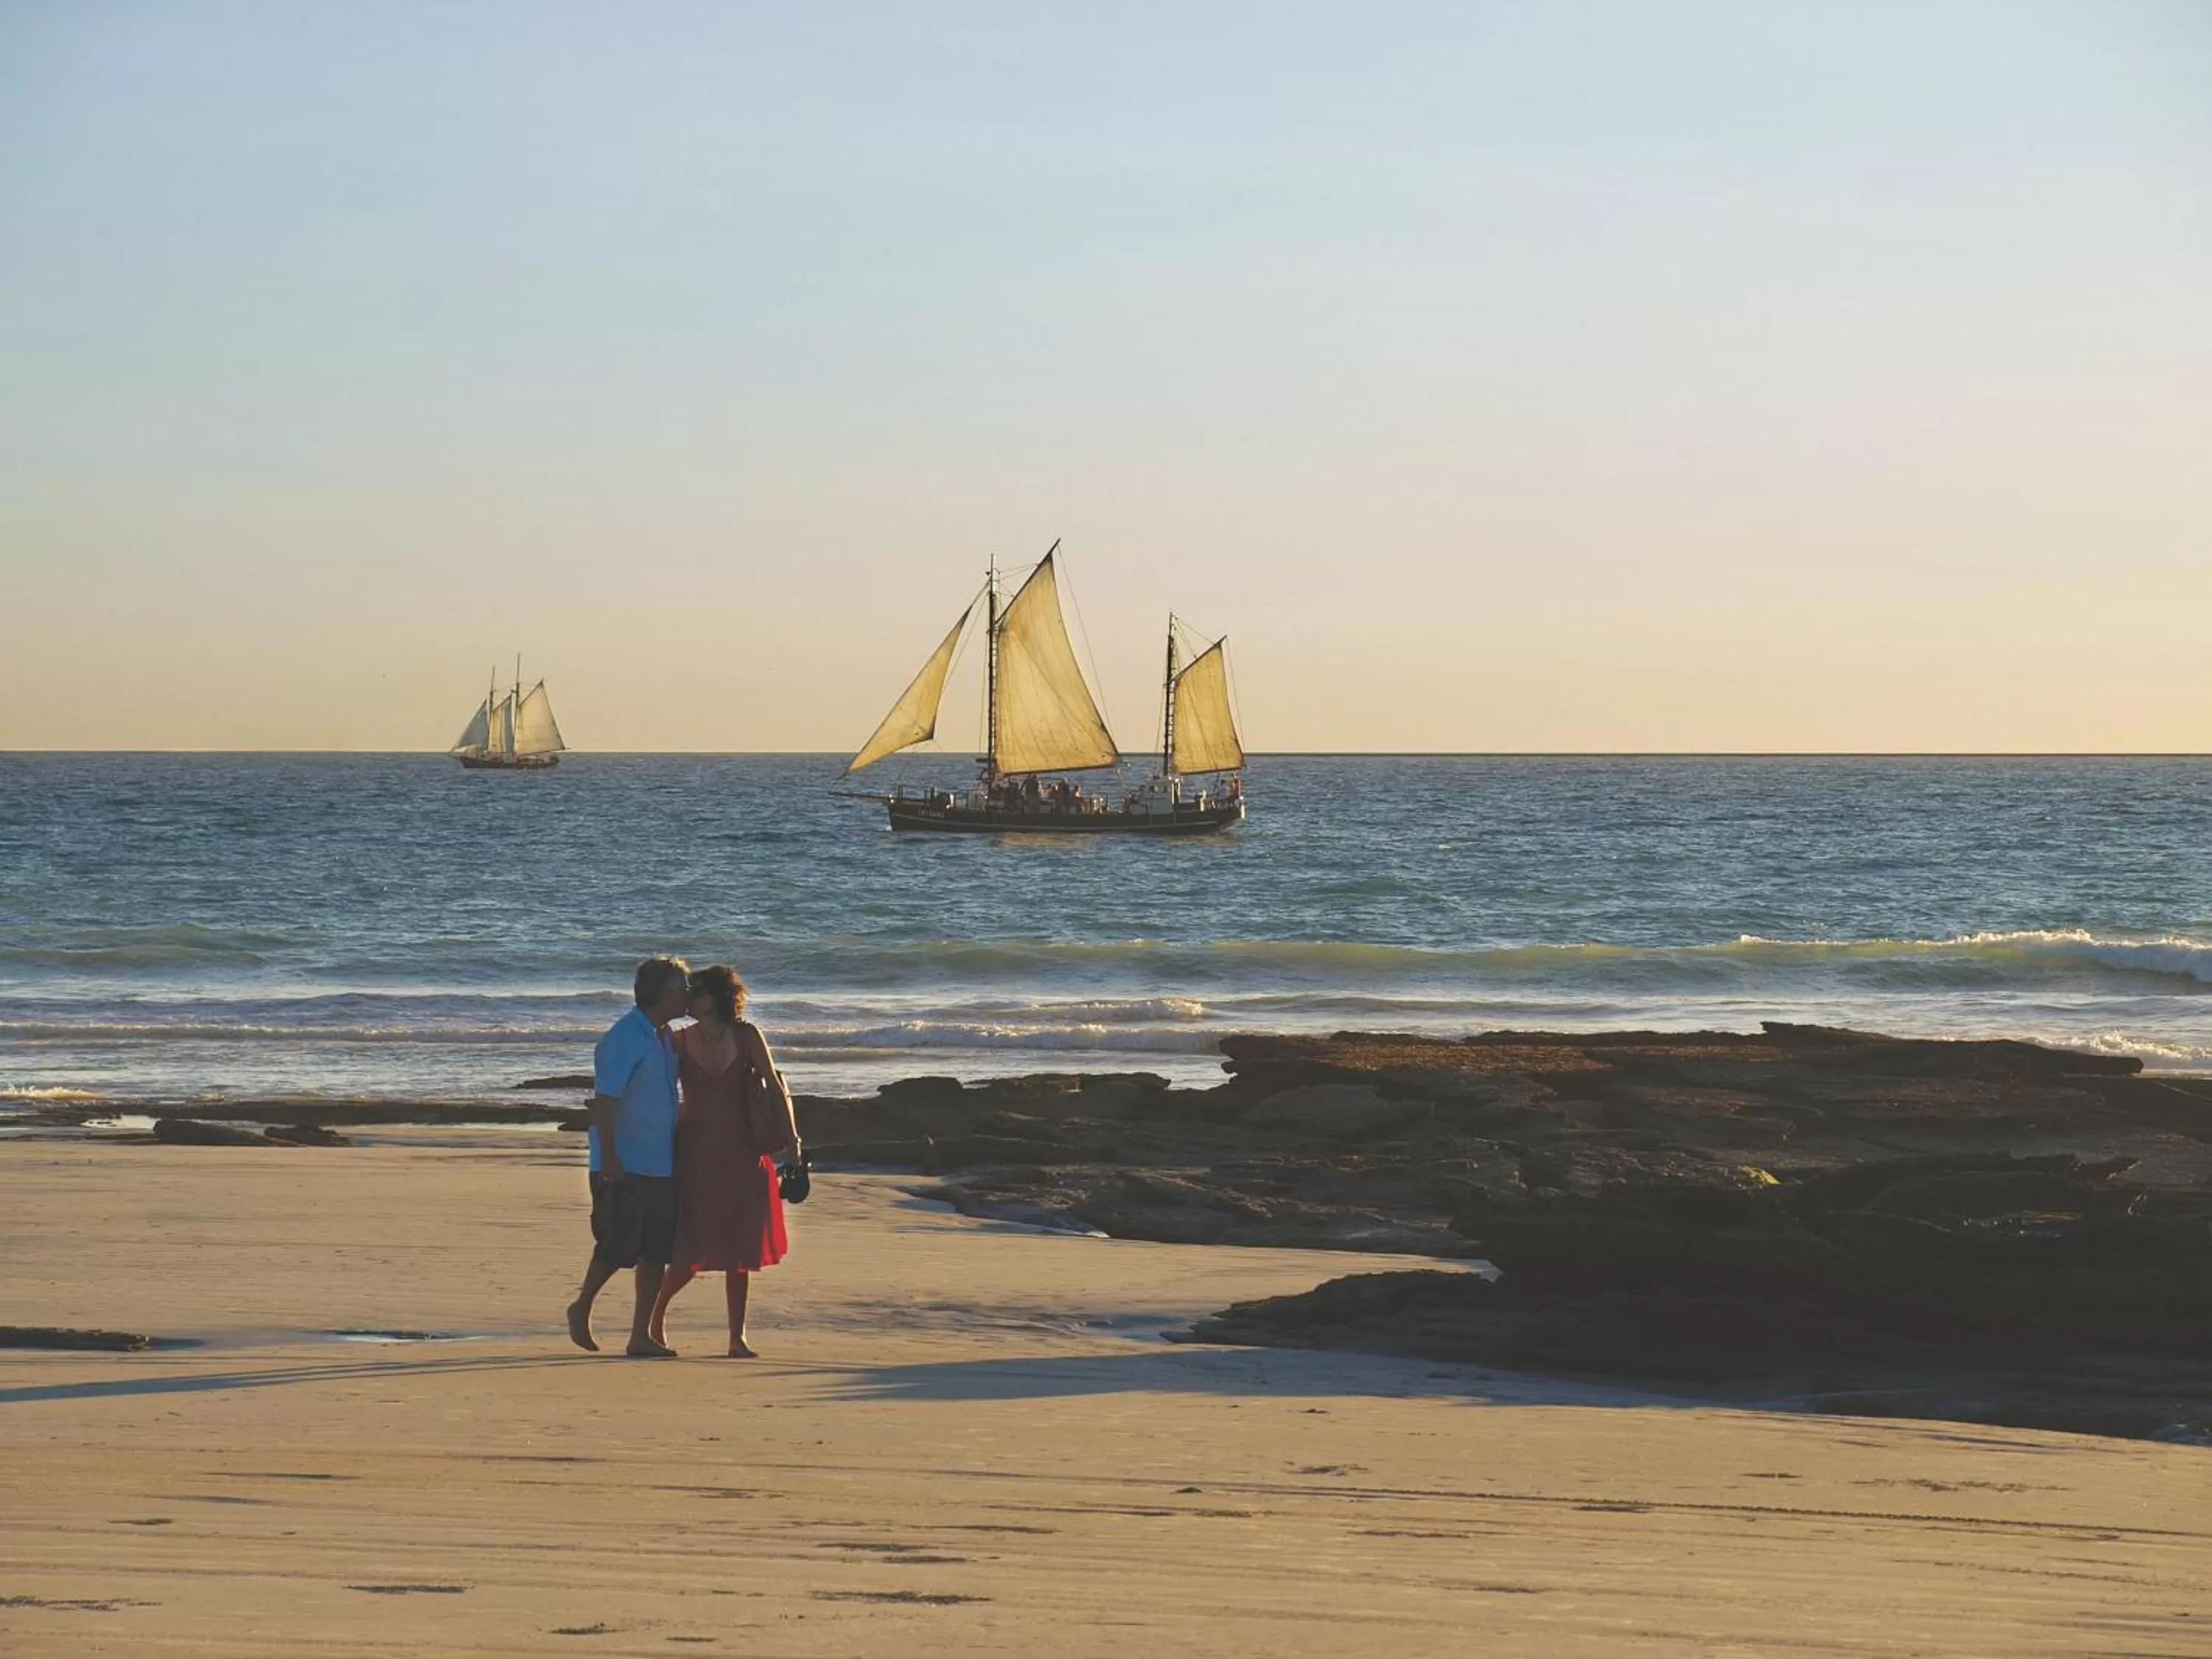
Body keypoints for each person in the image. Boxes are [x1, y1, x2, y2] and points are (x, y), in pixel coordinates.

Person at [647, 964, 797, 1357]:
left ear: (714, 998)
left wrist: (793, 1140)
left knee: (740, 1244)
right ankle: (656, 1316)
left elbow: (777, 1088)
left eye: (695, 992)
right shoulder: (677, 1040)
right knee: (692, 1243)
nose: (688, 998)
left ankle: (737, 1336)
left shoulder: (746, 1034)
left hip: (744, 1149)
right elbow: (657, 1092)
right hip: (695, 1150)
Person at [566, 956, 689, 1358]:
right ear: (666, 993)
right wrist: (611, 1158)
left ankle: (640, 1335)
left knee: (656, 1251)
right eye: (683, 987)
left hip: (661, 1159)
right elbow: (606, 1102)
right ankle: (583, 1304)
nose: (688, 994)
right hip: (624, 1160)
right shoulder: (625, 1036)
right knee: (618, 1244)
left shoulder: (665, 1037)